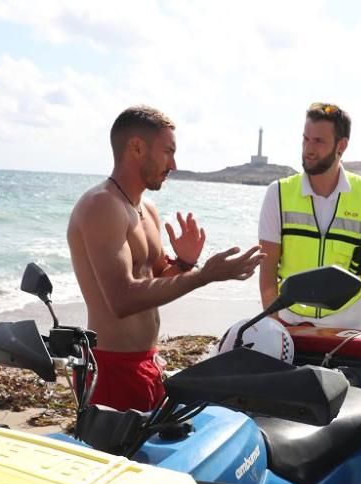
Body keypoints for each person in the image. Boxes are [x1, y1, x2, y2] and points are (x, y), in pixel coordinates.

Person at [67, 105, 264, 413]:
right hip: (112, 370)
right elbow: (121, 299)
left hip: (148, 361)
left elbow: (157, 279)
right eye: (168, 152)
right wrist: (203, 275)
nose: (173, 163)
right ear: (136, 147)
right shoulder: (101, 206)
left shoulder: (147, 209)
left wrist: (184, 264)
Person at [258, 103, 361, 330]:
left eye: (318, 141)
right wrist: (274, 324)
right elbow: (268, 268)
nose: (308, 149)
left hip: (347, 329)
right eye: (305, 139)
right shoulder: (278, 193)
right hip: (289, 324)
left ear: (341, 146)